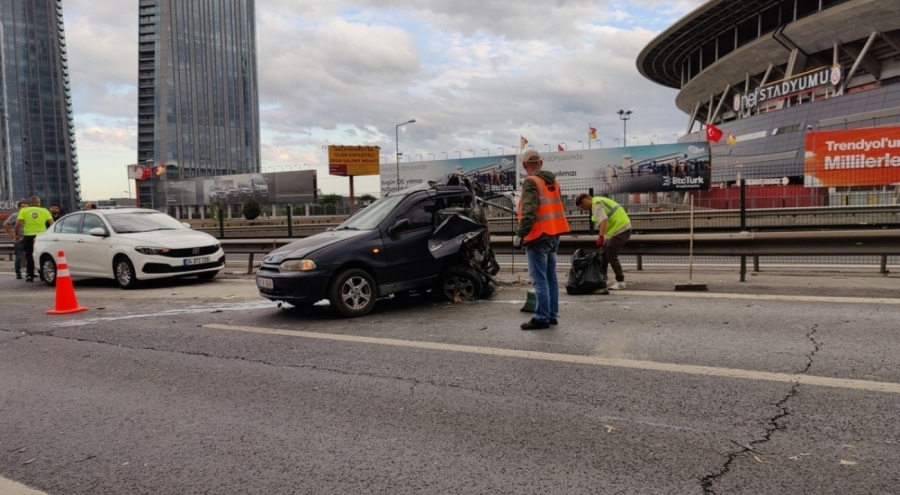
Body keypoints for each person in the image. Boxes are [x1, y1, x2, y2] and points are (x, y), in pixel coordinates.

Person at [514, 149, 570, 330]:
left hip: (538, 236)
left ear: (524, 165)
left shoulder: (531, 181)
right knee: (551, 278)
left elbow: (529, 212)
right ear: (541, 163)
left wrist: (520, 234)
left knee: (539, 280)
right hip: (554, 234)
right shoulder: (553, 181)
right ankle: (552, 314)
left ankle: (541, 317)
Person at [575, 192, 632, 290]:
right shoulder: (598, 201)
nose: (583, 209)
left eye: (582, 206)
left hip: (620, 229)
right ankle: (601, 280)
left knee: (611, 255)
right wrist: (605, 237)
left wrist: (601, 237)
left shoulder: (596, 205)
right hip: (618, 230)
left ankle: (620, 281)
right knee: (603, 255)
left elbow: (603, 221)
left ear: (585, 201)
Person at [15, 196, 54, 282]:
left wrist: (16, 235)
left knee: (29, 256)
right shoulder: (45, 210)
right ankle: (42, 275)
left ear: (30, 203)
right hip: (42, 236)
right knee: (42, 255)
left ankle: (30, 275)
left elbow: (18, 224)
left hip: (29, 236)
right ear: (38, 202)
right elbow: (52, 224)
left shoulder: (23, 210)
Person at [3, 200, 28, 279]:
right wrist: (12, 234)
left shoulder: (29, 215)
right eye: (23, 207)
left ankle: (30, 273)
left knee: (30, 257)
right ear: (19, 208)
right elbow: (6, 224)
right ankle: (18, 273)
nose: (24, 209)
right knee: (19, 257)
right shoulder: (15, 215)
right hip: (19, 239)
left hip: (29, 238)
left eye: (26, 207)